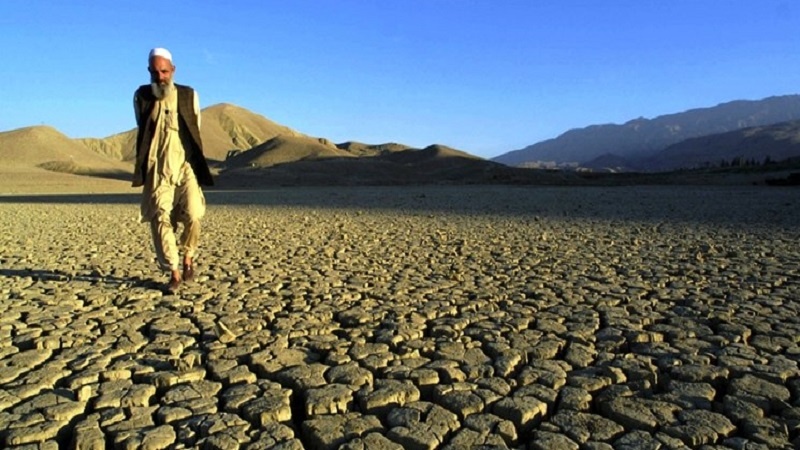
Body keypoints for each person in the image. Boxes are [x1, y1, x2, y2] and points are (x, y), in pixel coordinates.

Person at [132, 47, 214, 293]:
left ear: (173, 70)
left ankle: (188, 256)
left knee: (195, 213)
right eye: (156, 72)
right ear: (149, 71)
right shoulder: (142, 97)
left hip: (185, 164)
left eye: (165, 71)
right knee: (160, 217)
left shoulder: (189, 95)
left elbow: (195, 126)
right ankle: (175, 272)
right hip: (158, 167)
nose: (160, 77)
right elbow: (142, 128)